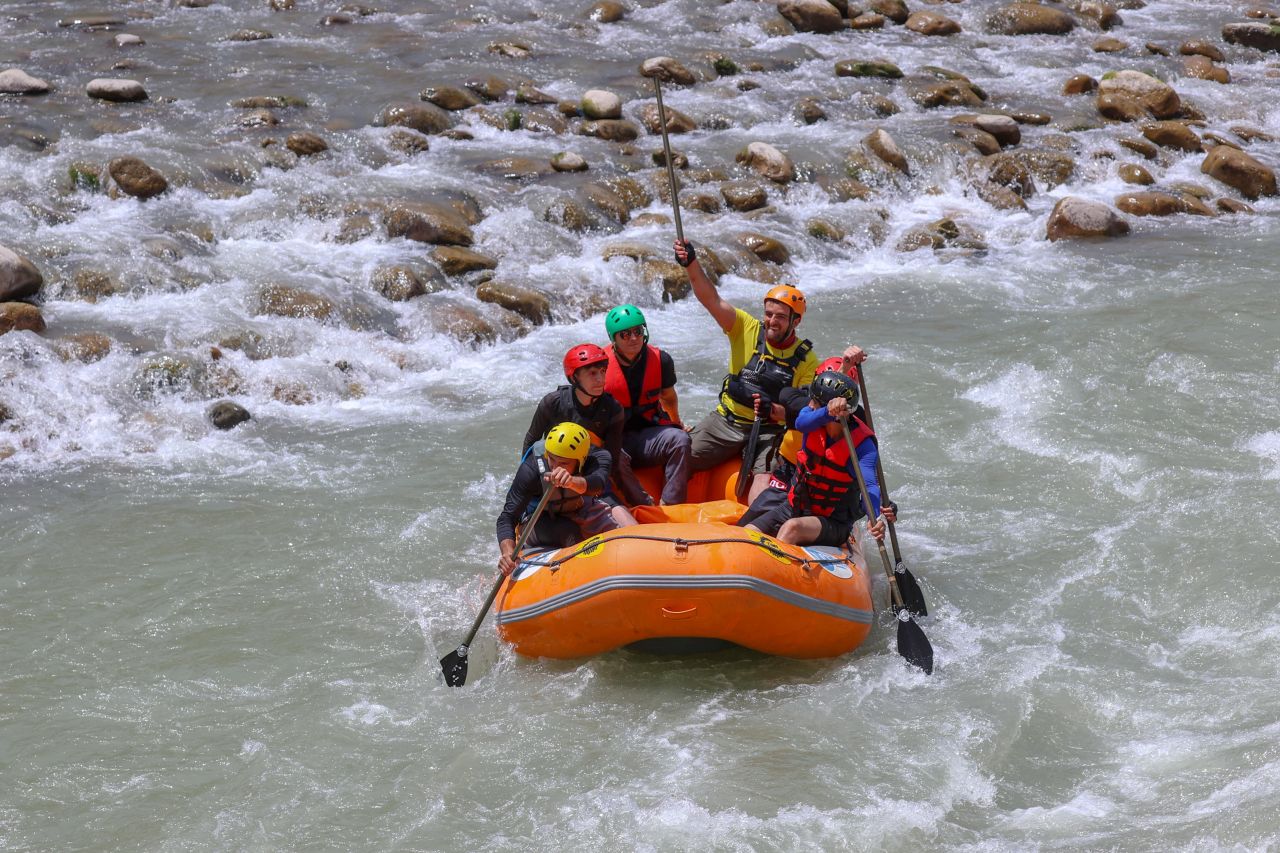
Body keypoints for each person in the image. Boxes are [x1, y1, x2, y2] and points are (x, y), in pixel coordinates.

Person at [673, 238, 819, 503]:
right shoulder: (746, 328)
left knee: (763, 481)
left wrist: (773, 411)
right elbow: (711, 299)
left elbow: (804, 412)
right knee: (679, 456)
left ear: (796, 321)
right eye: (769, 314)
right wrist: (691, 264)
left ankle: (756, 533)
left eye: (781, 317)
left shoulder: (807, 360)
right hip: (727, 421)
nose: (772, 321)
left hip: (768, 431)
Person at [740, 371, 886, 547]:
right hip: (794, 507)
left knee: (792, 528)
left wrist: (874, 516)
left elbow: (869, 486)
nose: (809, 404)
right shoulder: (812, 420)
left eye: (814, 401)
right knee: (748, 532)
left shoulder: (863, 445)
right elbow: (801, 422)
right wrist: (828, 412)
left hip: (833, 521)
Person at [497, 422, 637, 575]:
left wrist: (571, 481)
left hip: (580, 507)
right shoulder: (531, 469)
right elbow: (507, 517)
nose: (555, 467)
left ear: (580, 461)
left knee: (623, 534)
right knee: (568, 531)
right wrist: (507, 551)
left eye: (564, 463)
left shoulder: (598, 457)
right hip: (539, 519)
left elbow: (598, 484)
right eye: (551, 459)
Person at [522, 343, 651, 507]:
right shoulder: (552, 403)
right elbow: (531, 442)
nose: (600, 379)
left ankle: (643, 505)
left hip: (590, 473)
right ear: (575, 377)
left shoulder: (613, 409)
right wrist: (527, 479)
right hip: (556, 471)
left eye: (602, 372)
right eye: (592, 374)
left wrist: (592, 484)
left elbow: (611, 459)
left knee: (620, 460)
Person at [602, 304, 693, 505]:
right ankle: (645, 506)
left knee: (680, 439)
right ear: (614, 339)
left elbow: (668, 397)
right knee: (613, 455)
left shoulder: (662, 360)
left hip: (648, 434)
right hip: (617, 439)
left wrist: (677, 422)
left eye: (638, 331)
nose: (634, 338)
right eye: (625, 334)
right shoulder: (599, 366)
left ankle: (671, 506)